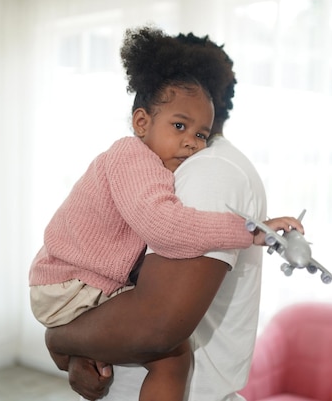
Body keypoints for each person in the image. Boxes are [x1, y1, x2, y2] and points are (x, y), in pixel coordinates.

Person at [30, 26, 302, 401]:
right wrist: (72, 344)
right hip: (75, 287)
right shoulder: (152, 161)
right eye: (179, 125)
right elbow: (162, 230)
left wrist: (59, 339)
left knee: (173, 357)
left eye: (198, 133)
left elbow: (156, 328)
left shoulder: (211, 170)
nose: (191, 141)